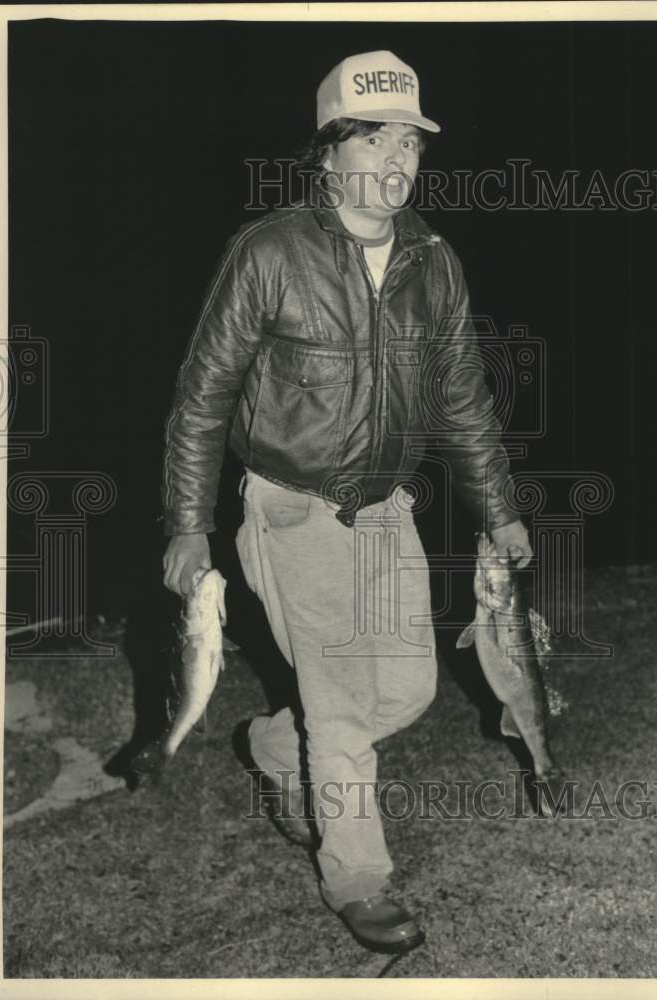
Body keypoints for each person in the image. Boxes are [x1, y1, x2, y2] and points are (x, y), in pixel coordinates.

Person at [161, 49, 532, 954]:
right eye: (374, 139)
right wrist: (186, 524)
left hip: (387, 510)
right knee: (338, 698)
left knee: (403, 688)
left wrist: (501, 507)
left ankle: (277, 750)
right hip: (289, 506)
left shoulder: (432, 262)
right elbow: (203, 395)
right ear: (328, 153)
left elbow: (461, 396)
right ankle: (361, 878)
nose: (396, 159)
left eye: (409, 139)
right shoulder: (270, 251)